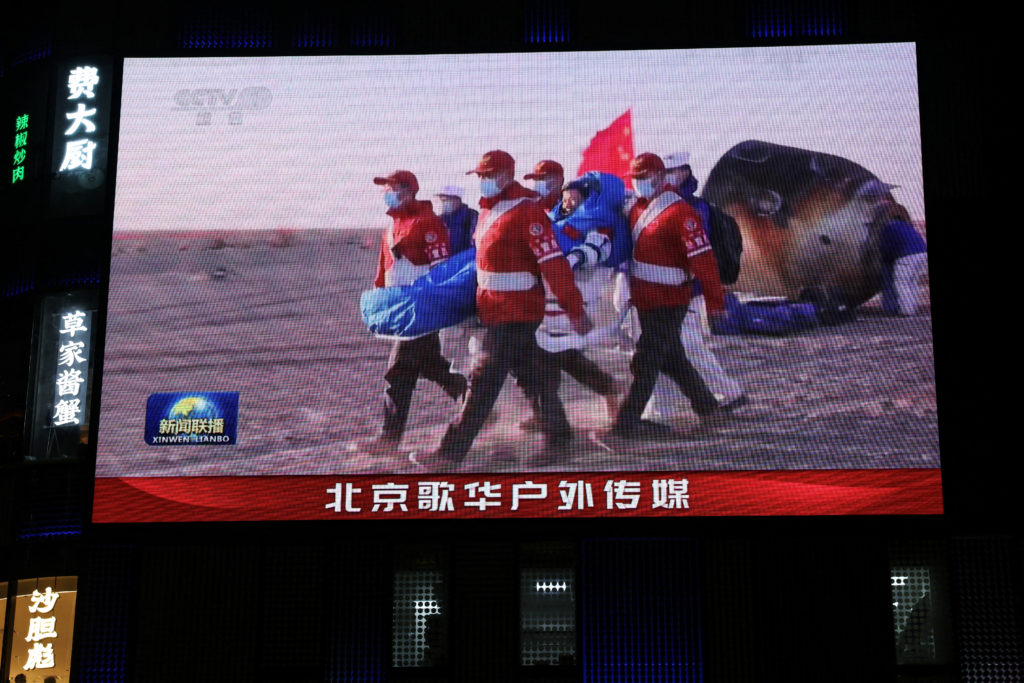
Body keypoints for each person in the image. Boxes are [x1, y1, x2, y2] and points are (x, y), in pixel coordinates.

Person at [412, 150, 592, 470]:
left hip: (517, 311)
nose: (483, 181)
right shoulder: (488, 211)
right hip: (494, 310)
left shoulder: (528, 213)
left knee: (483, 380)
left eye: (488, 175)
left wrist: (574, 309)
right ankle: (561, 438)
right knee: (531, 376)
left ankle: (450, 453)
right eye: (480, 176)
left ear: (507, 176)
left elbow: (553, 265)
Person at [611, 153, 729, 439]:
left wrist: (715, 304)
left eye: (644, 178)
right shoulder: (636, 208)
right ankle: (708, 407)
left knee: (646, 360)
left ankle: (628, 423)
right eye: (635, 178)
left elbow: (704, 262)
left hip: (671, 301)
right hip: (645, 300)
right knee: (671, 358)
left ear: (661, 177)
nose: (639, 183)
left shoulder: (681, 214)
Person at [363, 170, 467, 455]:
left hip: (420, 310)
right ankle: (471, 398)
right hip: (399, 309)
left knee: (398, 372)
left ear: (409, 191)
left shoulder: (427, 223)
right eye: (385, 188)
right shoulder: (392, 226)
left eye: (393, 188)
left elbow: (440, 269)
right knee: (431, 366)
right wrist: (379, 301)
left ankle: (389, 439)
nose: (387, 193)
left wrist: (432, 306)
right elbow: (384, 269)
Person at [641, 152, 747, 424]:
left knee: (683, 346)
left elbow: (698, 254)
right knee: (673, 347)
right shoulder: (656, 204)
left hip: (685, 289)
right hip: (668, 290)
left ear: (685, 172)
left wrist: (713, 300)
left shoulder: (693, 208)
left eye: (671, 172)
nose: (665, 178)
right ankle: (666, 409)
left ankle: (724, 393)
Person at [523, 177, 622, 428]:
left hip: (576, 292)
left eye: (575, 197)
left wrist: (573, 259)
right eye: (566, 196)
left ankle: (550, 417)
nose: (569, 201)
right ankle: (604, 389)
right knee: (554, 354)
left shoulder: (597, 222)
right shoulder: (553, 220)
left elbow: (598, 248)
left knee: (549, 354)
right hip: (550, 291)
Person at [434, 185, 478, 255]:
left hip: (465, 259)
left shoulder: (471, 217)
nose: (442, 203)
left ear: (457, 200)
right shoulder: (438, 220)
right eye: (441, 200)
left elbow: (475, 245)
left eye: (446, 200)